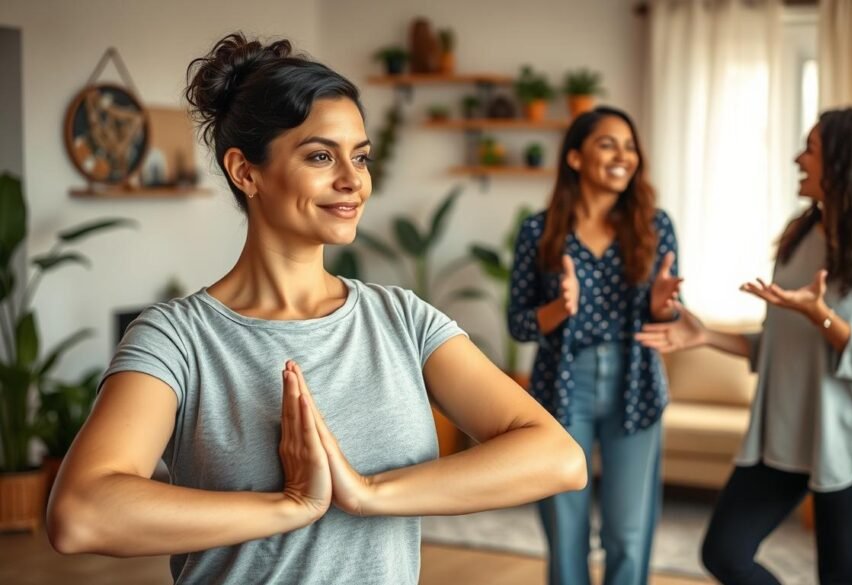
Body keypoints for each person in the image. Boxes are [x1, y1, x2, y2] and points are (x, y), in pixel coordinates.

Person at [46, 32, 586, 585]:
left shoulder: (404, 320)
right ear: (245, 171)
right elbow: (80, 515)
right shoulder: (177, 339)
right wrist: (290, 505)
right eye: (321, 156)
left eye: (361, 157)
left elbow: (558, 457)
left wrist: (367, 493)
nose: (353, 180)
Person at [636, 108, 852, 585]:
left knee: (841, 577)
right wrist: (704, 336)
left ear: (848, 161)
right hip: (783, 434)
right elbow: (784, 347)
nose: (799, 158)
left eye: (812, 149)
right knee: (724, 553)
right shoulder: (802, 235)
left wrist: (819, 314)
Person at [508, 106, 681, 585]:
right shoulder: (537, 231)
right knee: (565, 527)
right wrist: (558, 310)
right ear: (577, 158)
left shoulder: (655, 225)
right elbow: (519, 323)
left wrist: (665, 306)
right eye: (608, 144)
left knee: (629, 531)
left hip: (636, 381)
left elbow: (667, 319)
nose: (623, 156)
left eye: (629, 146)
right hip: (562, 388)